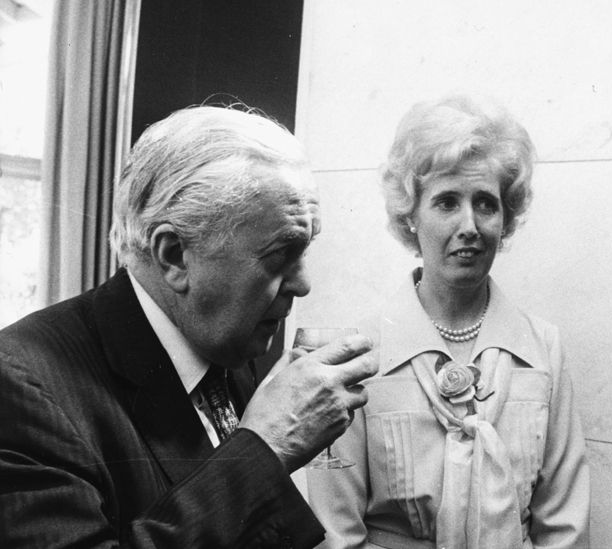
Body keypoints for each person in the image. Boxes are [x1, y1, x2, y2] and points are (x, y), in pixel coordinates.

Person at [0, 106, 378, 548]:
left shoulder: (222, 350)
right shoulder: (21, 387)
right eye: (280, 254)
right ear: (175, 255)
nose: (303, 284)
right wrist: (266, 448)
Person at [307, 95, 590, 548]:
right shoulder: (357, 355)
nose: (470, 225)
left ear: (506, 216)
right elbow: (336, 532)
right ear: (411, 216)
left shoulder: (542, 349)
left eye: (485, 203)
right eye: (446, 203)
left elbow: (564, 526)